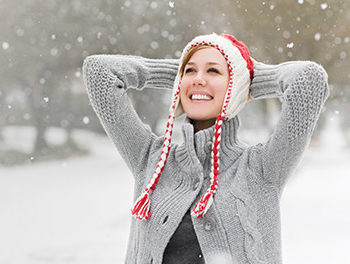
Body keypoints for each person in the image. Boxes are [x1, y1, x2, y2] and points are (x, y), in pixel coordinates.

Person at [82, 33, 329, 264]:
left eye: (213, 71)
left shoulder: (262, 168)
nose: (199, 78)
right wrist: (180, 76)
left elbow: (308, 80)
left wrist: (244, 78)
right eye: (190, 71)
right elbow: (99, 72)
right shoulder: (150, 159)